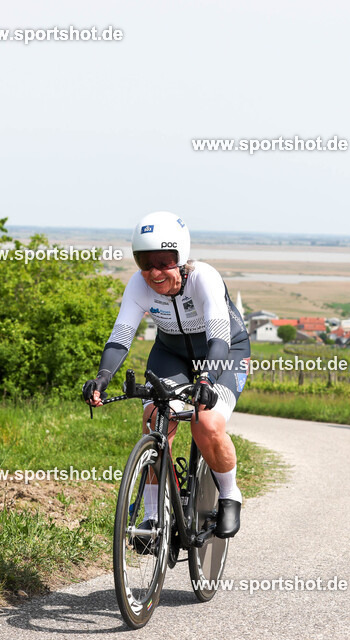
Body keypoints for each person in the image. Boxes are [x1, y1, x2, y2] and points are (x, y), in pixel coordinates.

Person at [82, 211, 250, 544]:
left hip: (224, 352)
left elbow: (219, 336)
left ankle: (230, 494)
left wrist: (205, 381)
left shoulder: (204, 278)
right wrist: (102, 378)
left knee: (207, 423)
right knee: (156, 420)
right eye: (146, 262)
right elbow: (121, 337)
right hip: (170, 354)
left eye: (164, 262)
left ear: (182, 258)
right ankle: (152, 516)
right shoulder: (138, 284)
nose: (155, 272)